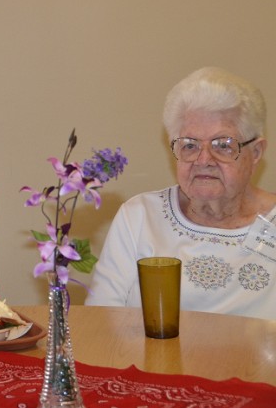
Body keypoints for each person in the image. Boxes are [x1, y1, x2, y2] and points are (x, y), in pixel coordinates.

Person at [87, 67, 276, 319]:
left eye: (223, 145)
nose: (203, 159)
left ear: (255, 153)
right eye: (189, 145)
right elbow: (100, 322)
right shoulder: (140, 216)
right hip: (146, 359)